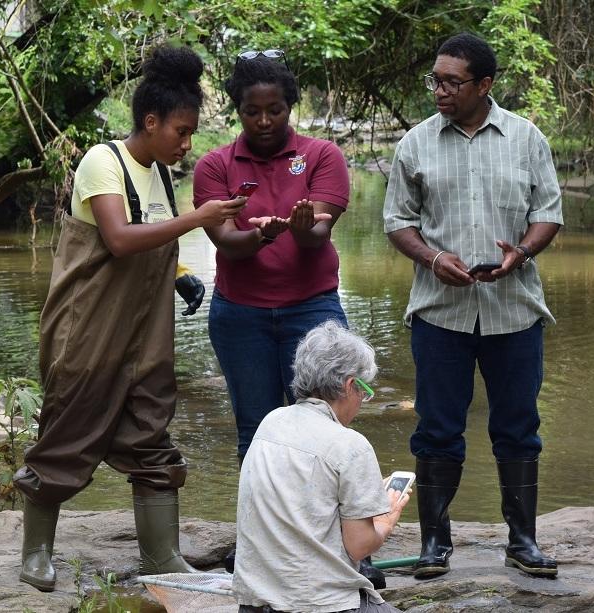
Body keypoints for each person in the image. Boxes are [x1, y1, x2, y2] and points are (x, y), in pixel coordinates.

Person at [12, 45, 247, 592]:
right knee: (66, 439)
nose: (188, 145)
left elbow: (150, 243)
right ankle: (35, 556)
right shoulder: (103, 161)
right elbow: (118, 239)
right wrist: (197, 218)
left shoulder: (162, 177)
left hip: (144, 337)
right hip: (87, 332)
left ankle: (161, 557)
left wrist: (180, 273)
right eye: (182, 132)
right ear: (151, 121)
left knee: (151, 438)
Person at [192, 49, 387, 585]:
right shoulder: (215, 166)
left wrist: (301, 227)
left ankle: (349, 544)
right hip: (242, 315)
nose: (263, 122)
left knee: (332, 426)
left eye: (274, 110)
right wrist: (264, 232)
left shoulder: (323, 155)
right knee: (256, 431)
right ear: (237, 110)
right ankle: (260, 541)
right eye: (252, 112)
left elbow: (318, 234)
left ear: (289, 106)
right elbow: (228, 246)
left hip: (312, 309)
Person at [382, 32, 563, 579]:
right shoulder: (415, 143)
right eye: (435, 80)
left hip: (514, 309)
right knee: (436, 428)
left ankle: (523, 541)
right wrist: (434, 259)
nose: (439, 90)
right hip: (440, 312)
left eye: (451, 82)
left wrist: (522, 252)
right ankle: (435, 542)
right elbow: (397, 222)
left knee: (518, 426)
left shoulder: (527, 138)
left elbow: (549, 211)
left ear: (485, 85)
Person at [233, 321, 409, 613]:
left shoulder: (271, 422)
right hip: (319, 605)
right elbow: (359, 546)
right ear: (351, 385)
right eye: (364, 392)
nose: (362, 402)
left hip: (255, 602)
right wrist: (386, 519)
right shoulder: (351, 445)